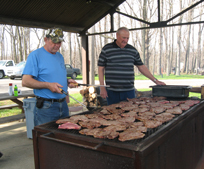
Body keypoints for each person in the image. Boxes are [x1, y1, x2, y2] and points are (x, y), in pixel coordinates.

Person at [22, 27, 77, 126]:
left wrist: (67, 82)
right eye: (54, 42)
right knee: (46, 138)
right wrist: (48, 85)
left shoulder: (59, 56)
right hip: (46, 107)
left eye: (59, 42)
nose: (57, 45)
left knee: (64, 136)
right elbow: (25, 81)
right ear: (45, 39)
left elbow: (55, 77)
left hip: (63, 104)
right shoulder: (35, 55)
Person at [98, 27, 166, 105]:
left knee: (130, 113)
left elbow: (141, 67)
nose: (126, 40)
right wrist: (102, 87)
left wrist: (155, 80)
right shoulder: (106, 49)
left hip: (128, 91)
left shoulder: (132, 50)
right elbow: (100, 69)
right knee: (112, 114)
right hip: (112, 91)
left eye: (127, 38)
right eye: (124, 38)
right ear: (117, 36)